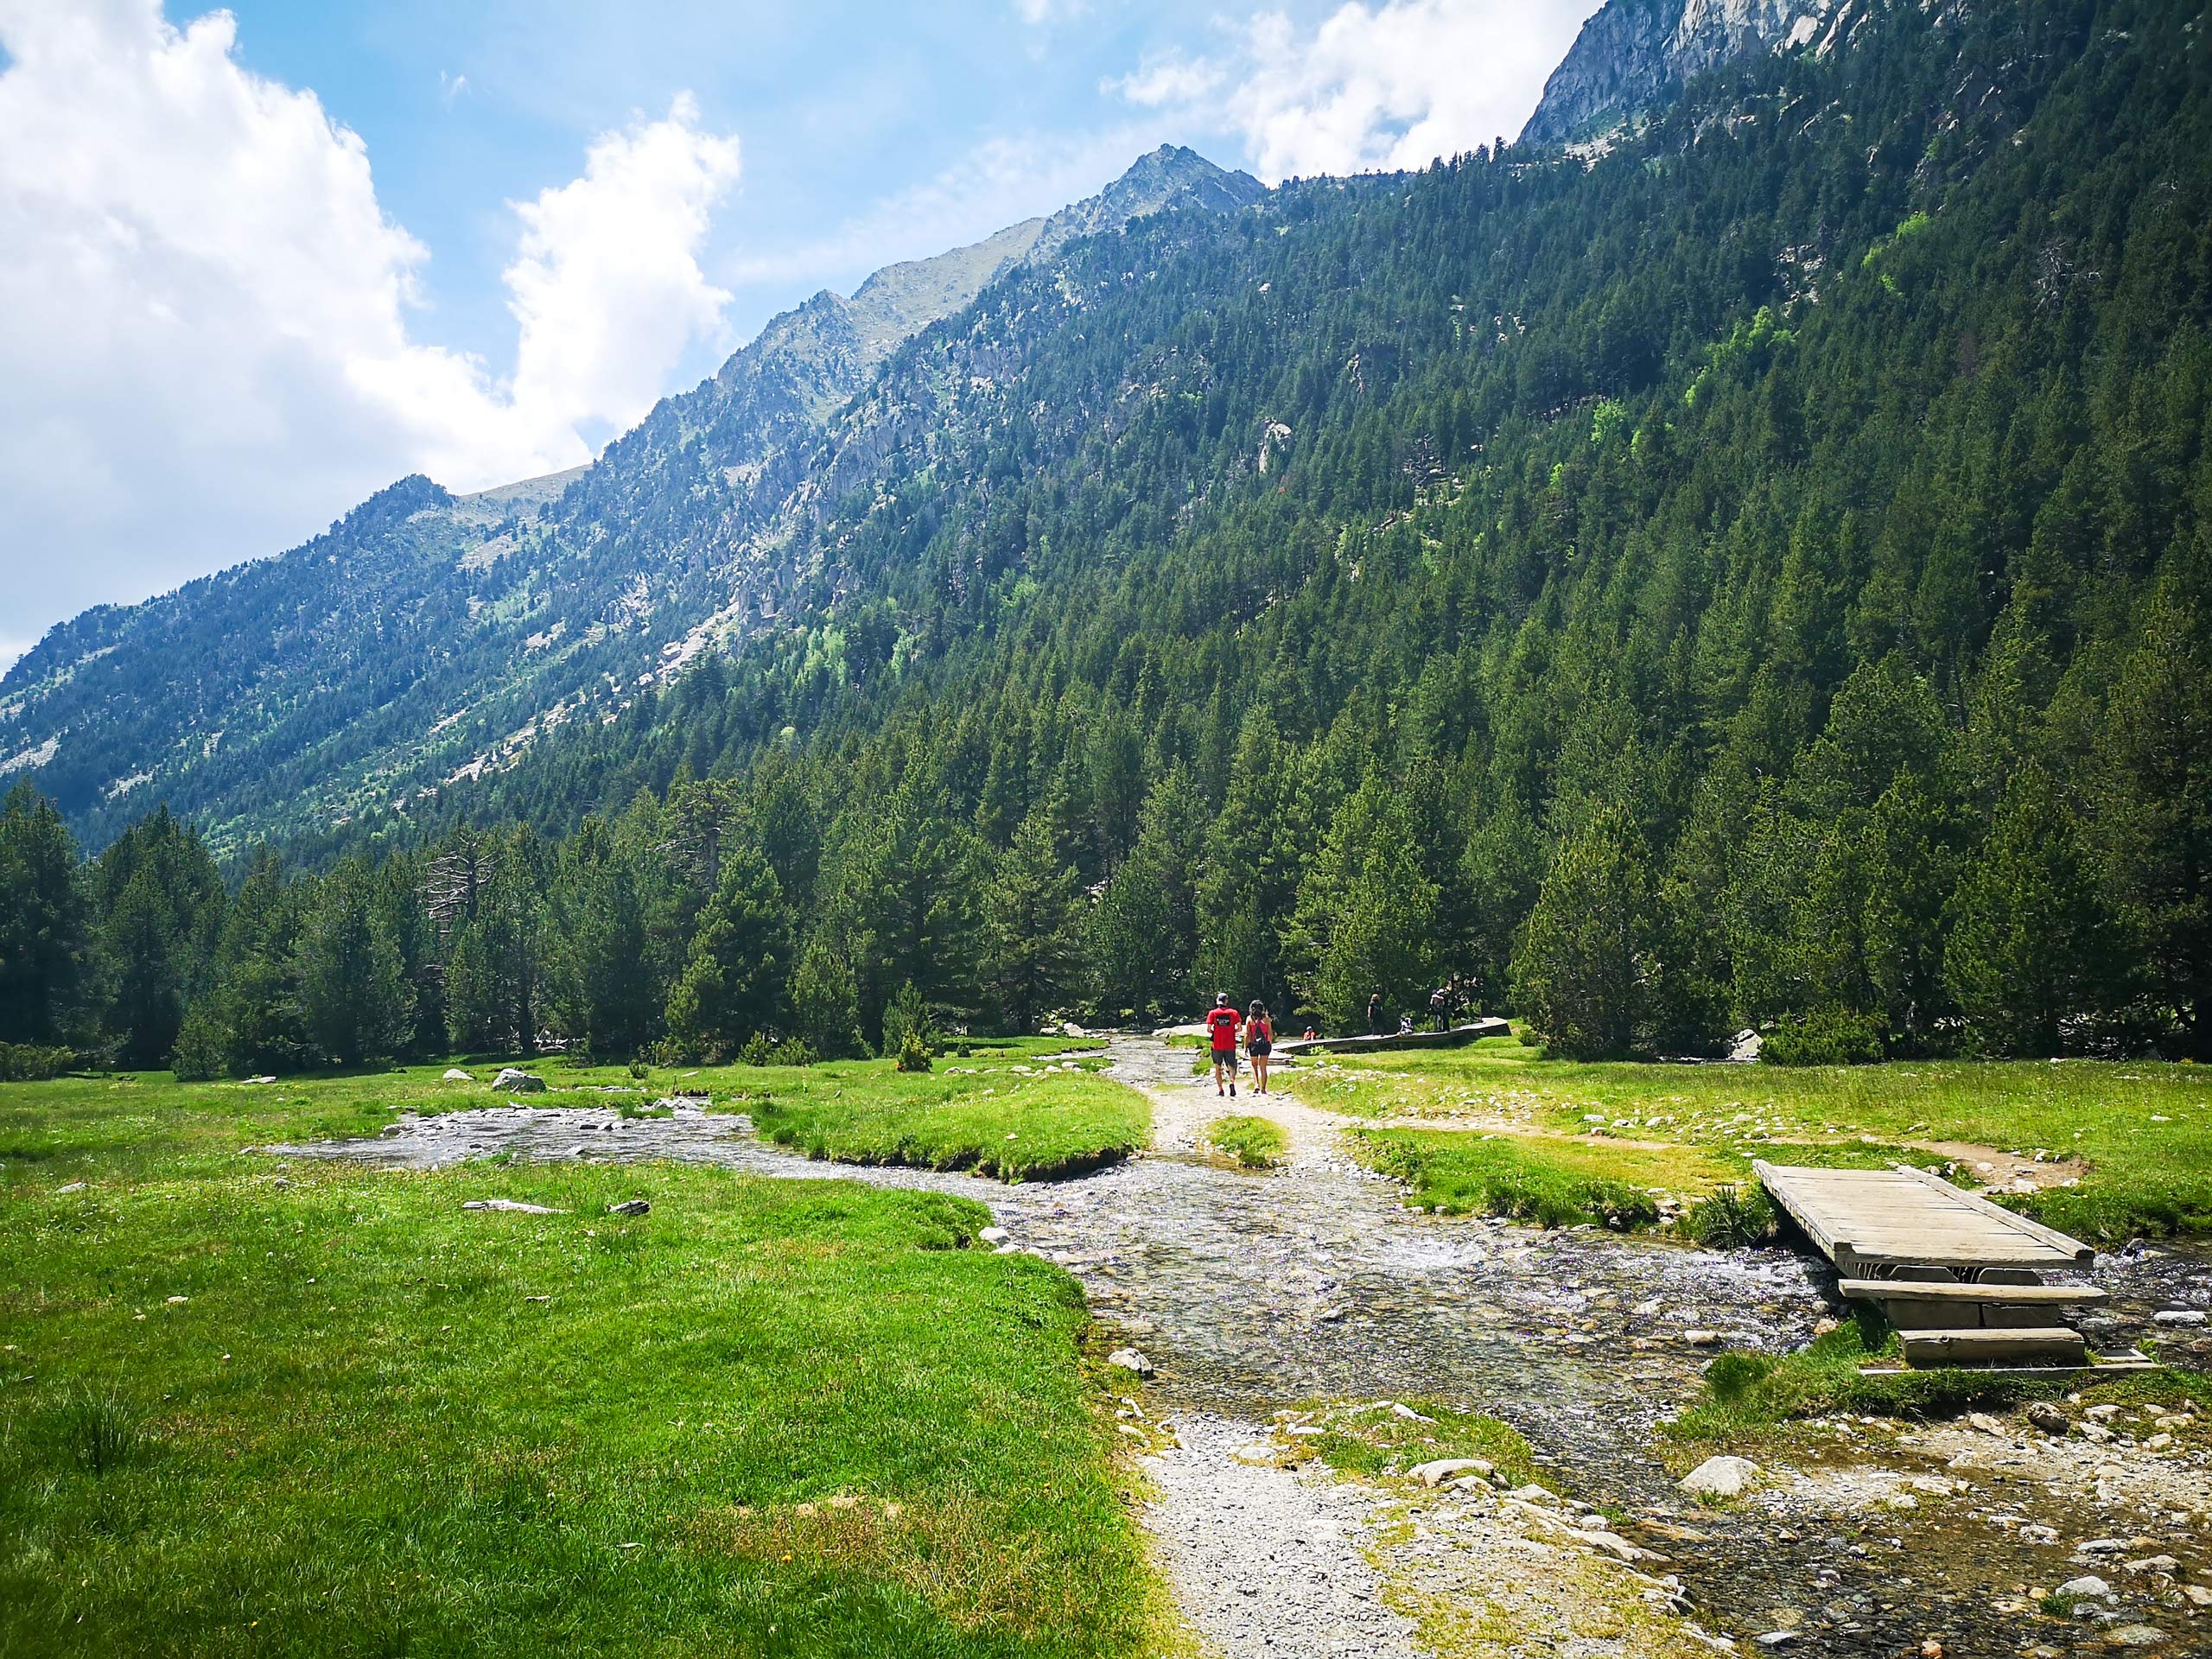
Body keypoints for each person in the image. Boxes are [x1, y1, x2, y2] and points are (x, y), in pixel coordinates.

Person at [1205, 992, 1243, 1097]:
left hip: (1217, 1044)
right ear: (1226, 1001)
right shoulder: (1234, 1013)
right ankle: (1232, 1082)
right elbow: (1239, 1028)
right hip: (1230, 1044)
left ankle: (1221, 1090)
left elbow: (1208, 1029)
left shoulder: (1213, 1013)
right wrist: (1231, 1032)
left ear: (1218, 1001)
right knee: (1231, 1065)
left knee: (1218, 1067)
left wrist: (1216, 1032)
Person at [1245, 1000, 1274, 1095]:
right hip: (1265, 1044)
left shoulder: (1249, 1019)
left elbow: (1247, 1034)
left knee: (1254, 1065)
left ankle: (1256, 1084)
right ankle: (1263, 1089)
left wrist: (1246, 1046)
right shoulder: (1266, 1019)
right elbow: (1270, 1033)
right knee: (1263, 1067)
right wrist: (1270, 1043)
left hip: (1254, 1045)